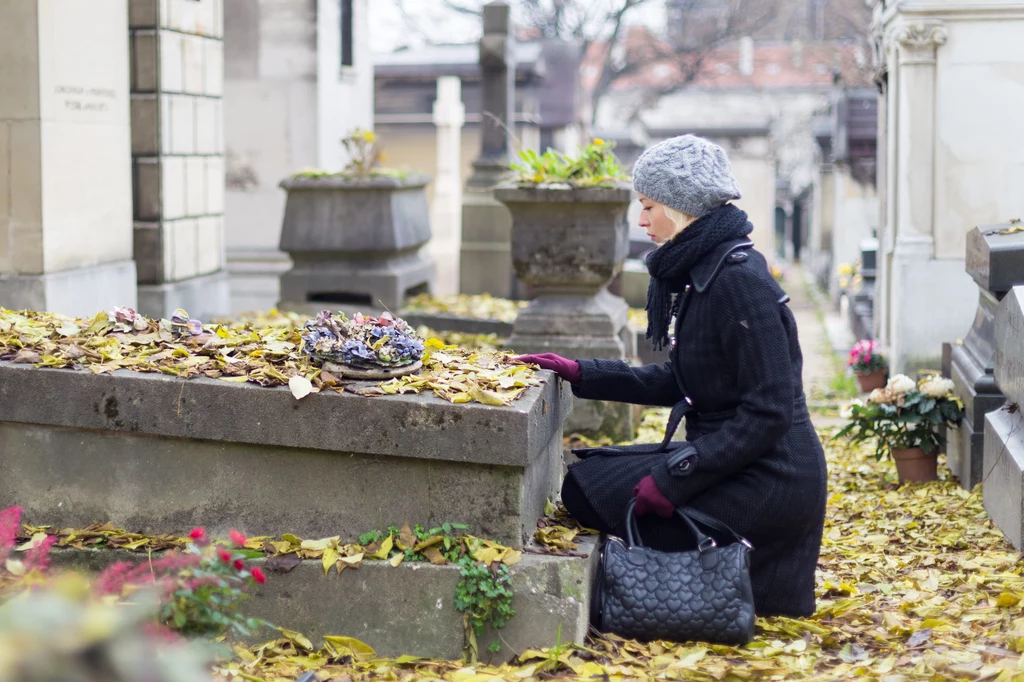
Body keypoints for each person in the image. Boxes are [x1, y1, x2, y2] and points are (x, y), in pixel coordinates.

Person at [517, 135, 827, 618]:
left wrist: (677, 477)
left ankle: (729, 573)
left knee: (599, 493)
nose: (642, 222)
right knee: (587, 479)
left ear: (681, 207)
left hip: (772, 477)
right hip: (736, 458)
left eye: (648, 206)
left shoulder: (739, 281)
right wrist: (581, 372)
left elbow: (769, 412)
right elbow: (686, 380)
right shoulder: (710, 270)